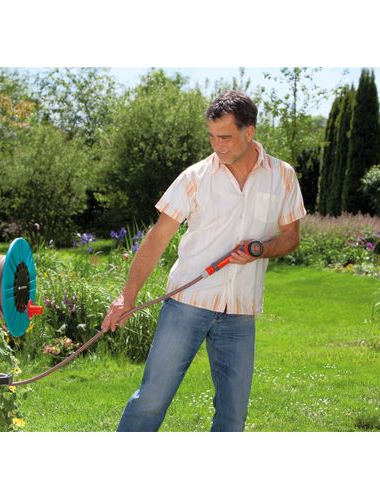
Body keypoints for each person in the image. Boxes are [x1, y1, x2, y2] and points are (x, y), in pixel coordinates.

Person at [101, 90, 306, 432]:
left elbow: (291, 236)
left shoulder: (282, 176)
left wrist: (259, 250)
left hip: (239, 311)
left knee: (233, 415)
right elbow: (158, 237)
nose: (217, 145)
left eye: (225, 137)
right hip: (187, 304)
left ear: (249, 132)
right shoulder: (195, 178)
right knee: (151, 400)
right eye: (212, 136)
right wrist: (128, 296)